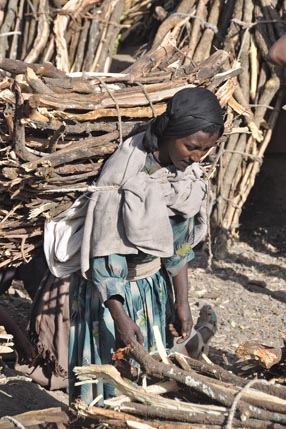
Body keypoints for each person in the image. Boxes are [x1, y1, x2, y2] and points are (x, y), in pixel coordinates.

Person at [45, 87, 224, 406]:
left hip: (152, 290)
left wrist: (182, 301)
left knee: (149, 378)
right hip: (111, 297)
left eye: (204, 151)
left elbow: (179, 247)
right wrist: (121, 318)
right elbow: (105, 258)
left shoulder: (184, 176)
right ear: (170, 133)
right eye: (192, 147)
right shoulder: (124, 177)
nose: (196, 158)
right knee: (109, 378)